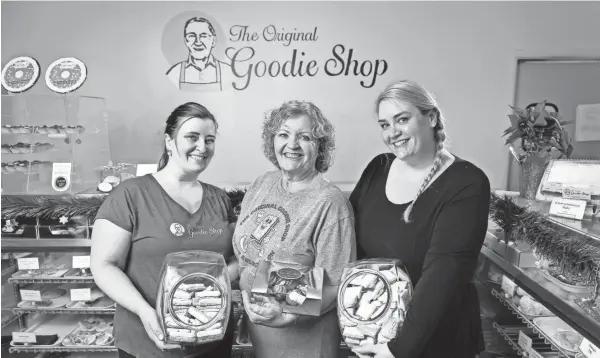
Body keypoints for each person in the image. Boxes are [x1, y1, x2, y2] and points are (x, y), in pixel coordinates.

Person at [350, 80, 490, 358]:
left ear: (432, 117)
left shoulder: (466, 182)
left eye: (402, 119)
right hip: (376, 333)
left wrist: (398, 349)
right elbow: (348, 240)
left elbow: (443, 275)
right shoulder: (378, 168)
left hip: (435, 341)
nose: (393, 133)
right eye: (384, 125)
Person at [90, 102, 238, 358]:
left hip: (211, 340)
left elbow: (234, 260)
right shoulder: (131, 194)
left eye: (209, 139)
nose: (202, 147)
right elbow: (104, 265)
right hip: (148, 343)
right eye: (192, 137)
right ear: (169, 141)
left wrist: (220, 277)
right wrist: (145, 312)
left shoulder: (219, 199)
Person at [232, 100, 356, 358]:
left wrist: (286, 317)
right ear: (272, 141)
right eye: (283, 134)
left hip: (305, 346)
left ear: (319, 145)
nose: (292, 144)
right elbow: (249, 258)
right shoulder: (262, 184)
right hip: (260, 339)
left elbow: (335, 285)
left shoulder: (330, 202)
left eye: (305, 137)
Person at [166, 17, 234, 91]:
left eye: (203, 36)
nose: (198, 42)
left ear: (213, 41)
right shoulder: (175, 72)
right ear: (186, 41)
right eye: (192, 36)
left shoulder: (227, 71)